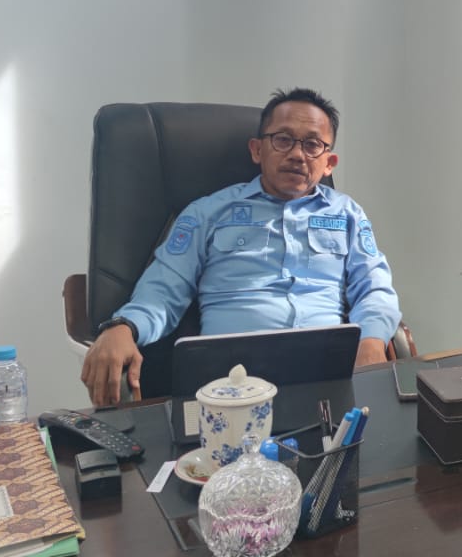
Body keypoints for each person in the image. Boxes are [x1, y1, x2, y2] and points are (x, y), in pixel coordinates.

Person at [81, 88, 402, 407]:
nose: (297, 154)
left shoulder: (347, 214)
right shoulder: (207, 213)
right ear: (257, 150)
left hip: (328, 381)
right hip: (229, 387)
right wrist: (123, 327)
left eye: (312, 144)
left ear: (329, 163)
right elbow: (164, 289)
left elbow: (374, 287)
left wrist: (372, 340)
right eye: (283, 139)